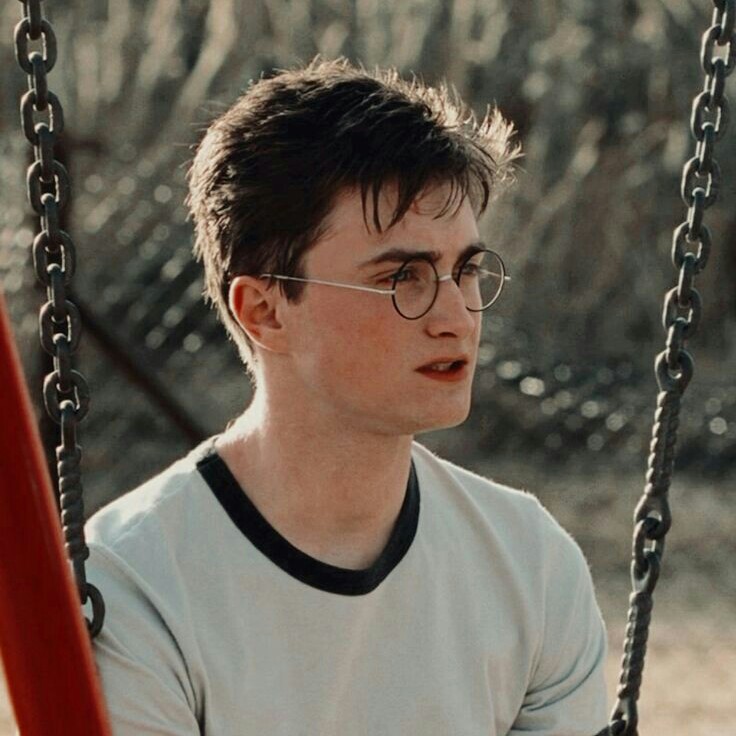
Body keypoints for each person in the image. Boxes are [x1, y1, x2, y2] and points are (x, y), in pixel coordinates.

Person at [86, 57, 609, 735]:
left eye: (467, 269)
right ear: (265, 312)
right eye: (402, 277)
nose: (457, 316)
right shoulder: (134, 585)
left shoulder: (530, 564)